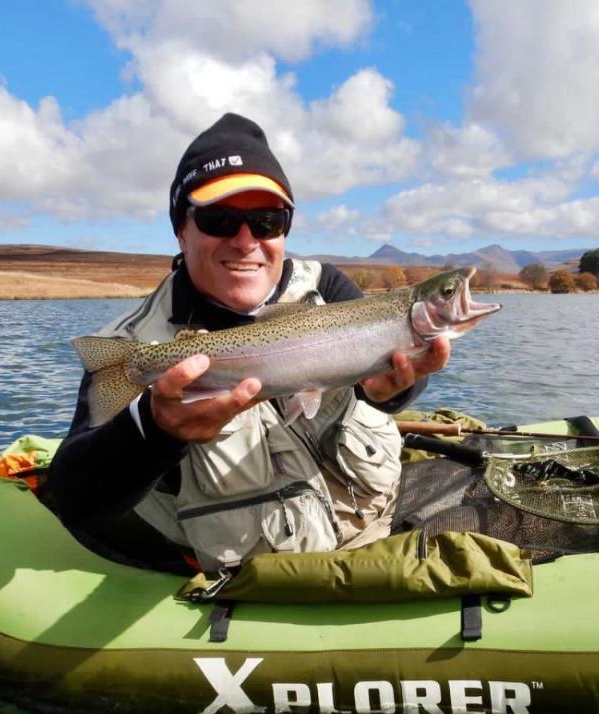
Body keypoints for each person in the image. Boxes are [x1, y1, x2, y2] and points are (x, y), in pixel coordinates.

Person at [47, 113, 450, 573]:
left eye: (266, 220)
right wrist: (155, 431)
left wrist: (393, 391)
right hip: (248, 582)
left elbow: (386, 381)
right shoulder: (130, 346)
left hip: (377, 532)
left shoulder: (327, 289)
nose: (245, 241)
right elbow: (72, 499)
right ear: (181, 229)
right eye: (220, 219)